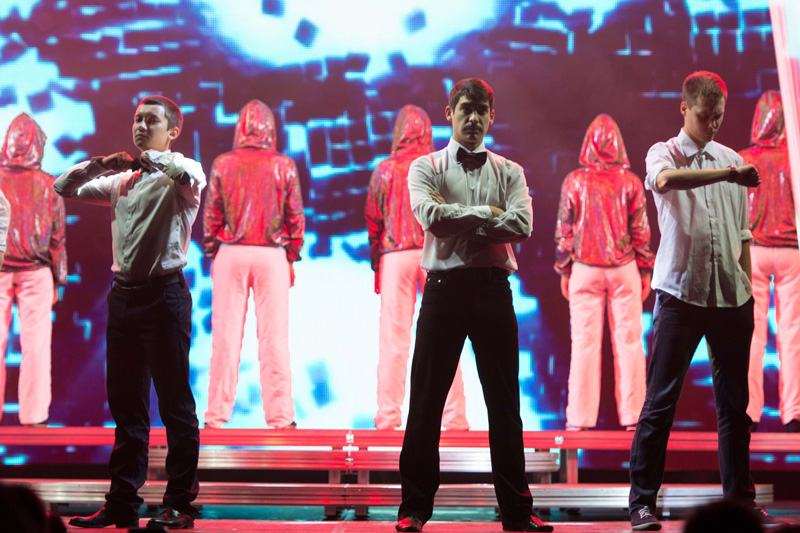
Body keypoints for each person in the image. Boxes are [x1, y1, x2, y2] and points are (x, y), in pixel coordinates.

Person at [395, 79, 551, 533]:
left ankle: (517, 512)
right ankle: (414, 509)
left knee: (504, 405)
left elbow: (522, 226)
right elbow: (431, 218)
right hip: (443, 288)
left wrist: (460, 218)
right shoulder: (425, 166)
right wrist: (488, 215)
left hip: (492, 289)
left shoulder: (510, 171)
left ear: (492, 116)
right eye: (466, 109)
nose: (474, 118)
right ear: (449, 112)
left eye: (482, 110)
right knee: (426, 401)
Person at [627, 71, 778, 531]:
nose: (712, 123)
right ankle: (641, 503)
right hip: (680, 293)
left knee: (735, 408)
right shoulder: (665, 152)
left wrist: (747, 288)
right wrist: (731, 175)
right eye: (704, 115)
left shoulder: (733, 159)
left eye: (718, 116)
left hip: (732, 297)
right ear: (684, 108)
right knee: (660, 403)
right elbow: (667, 181)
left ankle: (741, 502)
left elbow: (743, 233)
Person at [54, 95, 205, 529]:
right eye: (137, 119)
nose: (140, 126)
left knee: (175, 405)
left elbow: (186, 173)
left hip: (165, 297)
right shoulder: (122, 181)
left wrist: (153, 160)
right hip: (123, 298)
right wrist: (102, 164)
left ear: (172, 131)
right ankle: (122, 502)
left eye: (150, 120)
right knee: (126, 407)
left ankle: (179, 504)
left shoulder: (183, 175)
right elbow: (63, 187)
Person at [365, 104, 469, 432]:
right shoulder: (440, 166)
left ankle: (387, 417)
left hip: (395, 255)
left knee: (393, 336)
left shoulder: (384, 171)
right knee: (446, 335)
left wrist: (377, 264)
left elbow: (374, 221)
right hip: (435, 251)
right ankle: (454, 419)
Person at [202, 99, 304, 430]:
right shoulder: (283, 165)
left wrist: (213, 250)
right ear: (271, 128)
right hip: (272, 254)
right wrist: (292, 254)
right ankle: (281, 417)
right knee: (274, 337)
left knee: (225, 337)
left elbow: (212, 214)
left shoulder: (223, 163)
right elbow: (295, 216)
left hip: (230, 252)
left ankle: (215, 417)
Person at [554, 113, 654, 432]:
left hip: (584, 267)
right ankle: (634, 417)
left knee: (584, 345)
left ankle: (578, 420)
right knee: (630, 343)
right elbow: (641, 231)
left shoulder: (574, 181)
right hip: (624, 268)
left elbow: (564, 231)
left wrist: (564, 268)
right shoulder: (631, 182)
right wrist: (645, 269)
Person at [739, 90, 800, 433]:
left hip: (754, 250)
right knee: (792, 334)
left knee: (752, 333)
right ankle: (793, 414)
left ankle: (749, 412)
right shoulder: (796, 159)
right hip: (792, 251)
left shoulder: (743, 159)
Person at [0, 113, 66, 428]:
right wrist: (58, 278)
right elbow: (57, 237)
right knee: (36, 346)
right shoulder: (49, 184)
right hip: (37, 270)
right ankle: (34, 416)